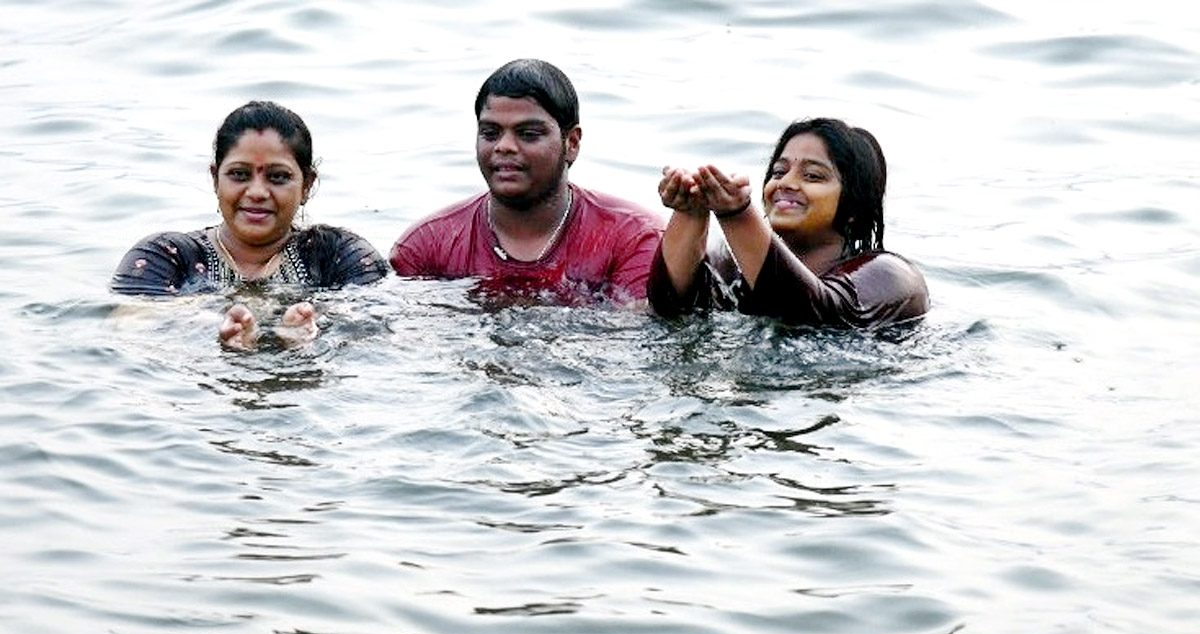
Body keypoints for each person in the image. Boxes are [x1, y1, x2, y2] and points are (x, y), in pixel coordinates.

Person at [111, 100, 388, 350]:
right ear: (215, 178)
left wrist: (318, 332)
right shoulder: (167, 256)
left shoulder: (338, 255)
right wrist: (211, 327)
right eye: (239, 174)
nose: (257, 191)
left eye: (278, 177)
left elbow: (380, 333)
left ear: (307, 185)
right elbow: (127, 332)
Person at [389, 59, 663, 306]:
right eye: (490, 132)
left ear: (572, 143)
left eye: (528, 134)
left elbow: (638, 333)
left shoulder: (632, 238)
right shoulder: (426, 247)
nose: (504, 146)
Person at [649, 117, 929, 328]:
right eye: (779, 171)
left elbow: (811, 313)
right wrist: (690, 210)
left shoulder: (891, 278)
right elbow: (672, 310)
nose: (786, 183)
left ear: (854, 206)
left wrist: (737, 213)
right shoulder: (732, 266)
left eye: (813, 176)